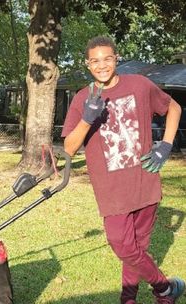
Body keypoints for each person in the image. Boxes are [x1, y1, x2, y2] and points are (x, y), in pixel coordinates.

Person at [61, 36, 183, 304]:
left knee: (137, 248)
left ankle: (129, 299)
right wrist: (86, 119)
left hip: (144, 181)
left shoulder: (139, 85)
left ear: (117, 58)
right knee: (122, 245)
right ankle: (165, 288)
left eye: (107, 58)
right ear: (87, 64)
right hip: (111, 191)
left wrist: (165, 145)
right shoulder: (83, 98)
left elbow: (173, 107)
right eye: (95, 61)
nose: (102, 65)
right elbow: (69, 148)